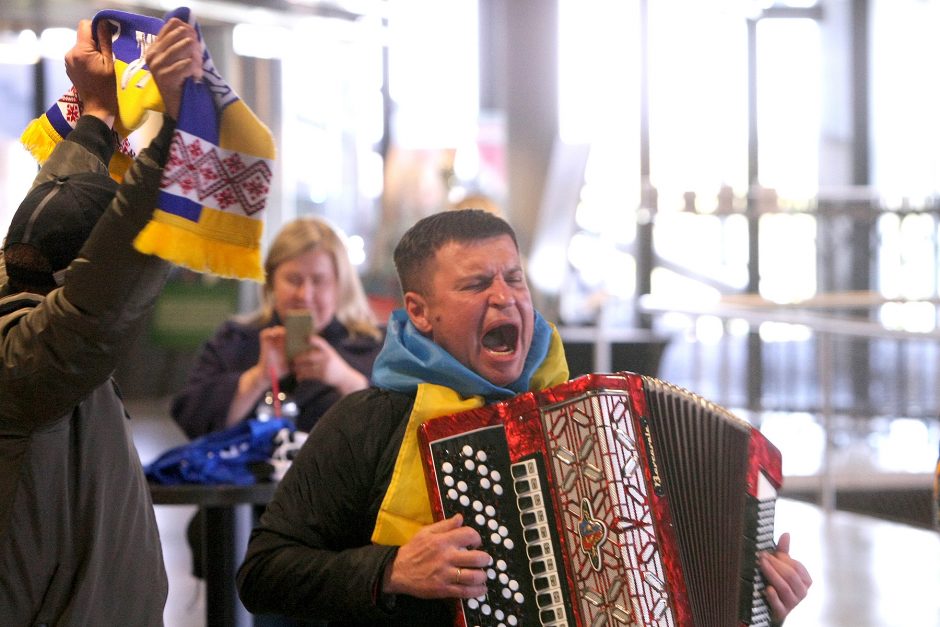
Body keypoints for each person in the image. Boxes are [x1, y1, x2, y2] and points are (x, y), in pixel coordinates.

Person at [236, 209, 812, 625]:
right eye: (475, 284)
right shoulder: (370, 420)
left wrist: (752, 600)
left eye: (514, 278)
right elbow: (263, 573)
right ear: (421, 311)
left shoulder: (595, 420)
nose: (504, 297)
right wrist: (389, 570)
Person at [0, 16, 203, 626]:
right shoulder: (26, 364)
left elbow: (49, 227)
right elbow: (104, 281)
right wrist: (179, 130)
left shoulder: (17, 307)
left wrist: (97, 114)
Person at [171, 216, 384, 438]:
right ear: (271, 281)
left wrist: (345, 378)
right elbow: (190, 419)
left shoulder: (373, 346)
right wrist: (257, 378)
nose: (305, 295)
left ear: (340, 286)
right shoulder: (235, 339)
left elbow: (393, 432)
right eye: (293, 279)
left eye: (319, 281)